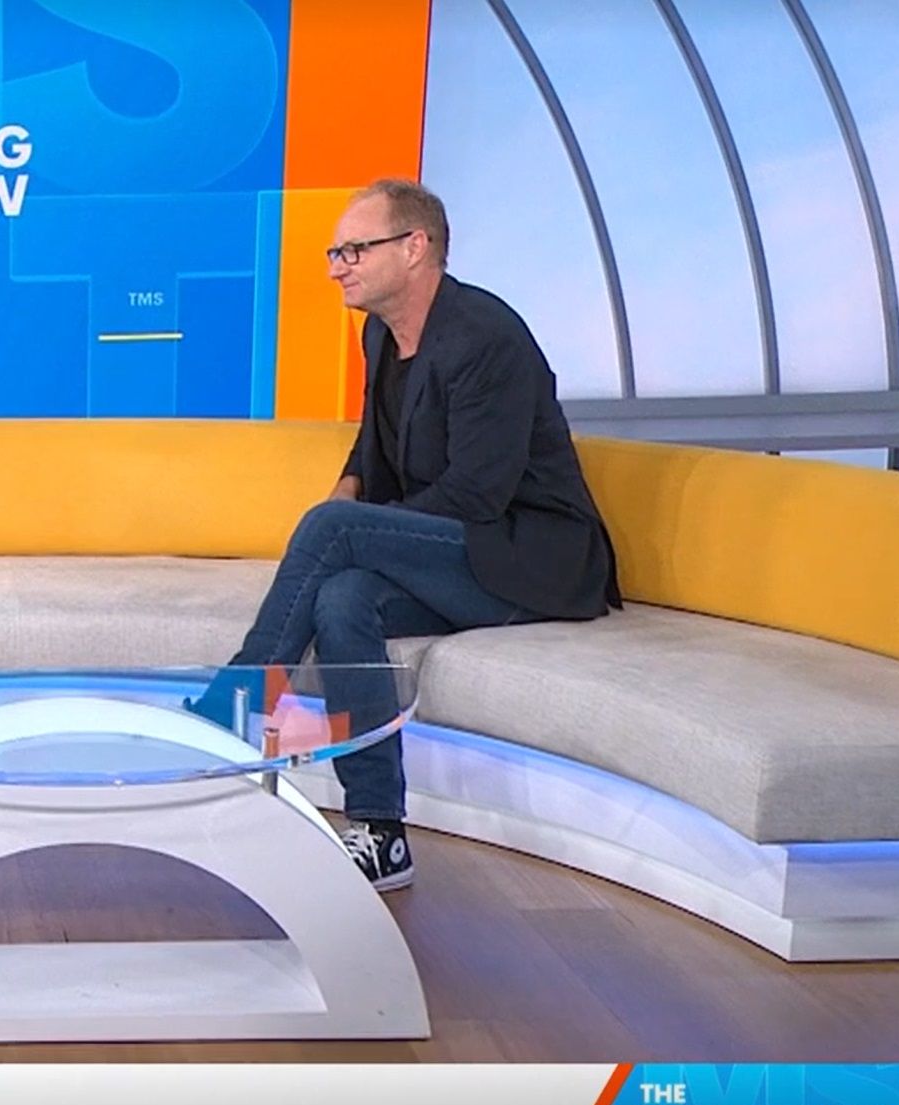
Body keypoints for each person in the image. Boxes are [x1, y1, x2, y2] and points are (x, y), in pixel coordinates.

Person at [194, 178, 621, 892]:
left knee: (336, 533)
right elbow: (377, 445)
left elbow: (477, 495)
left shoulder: (486, 338)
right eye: (336, 253)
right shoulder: (381, 334)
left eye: (354, 250)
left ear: (415, 247)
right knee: (342, 599)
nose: (338, 267)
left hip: (526, 557)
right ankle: (381, 831)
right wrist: (352, 492)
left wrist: (358, 528)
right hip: (461, 552)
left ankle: (235, 708)